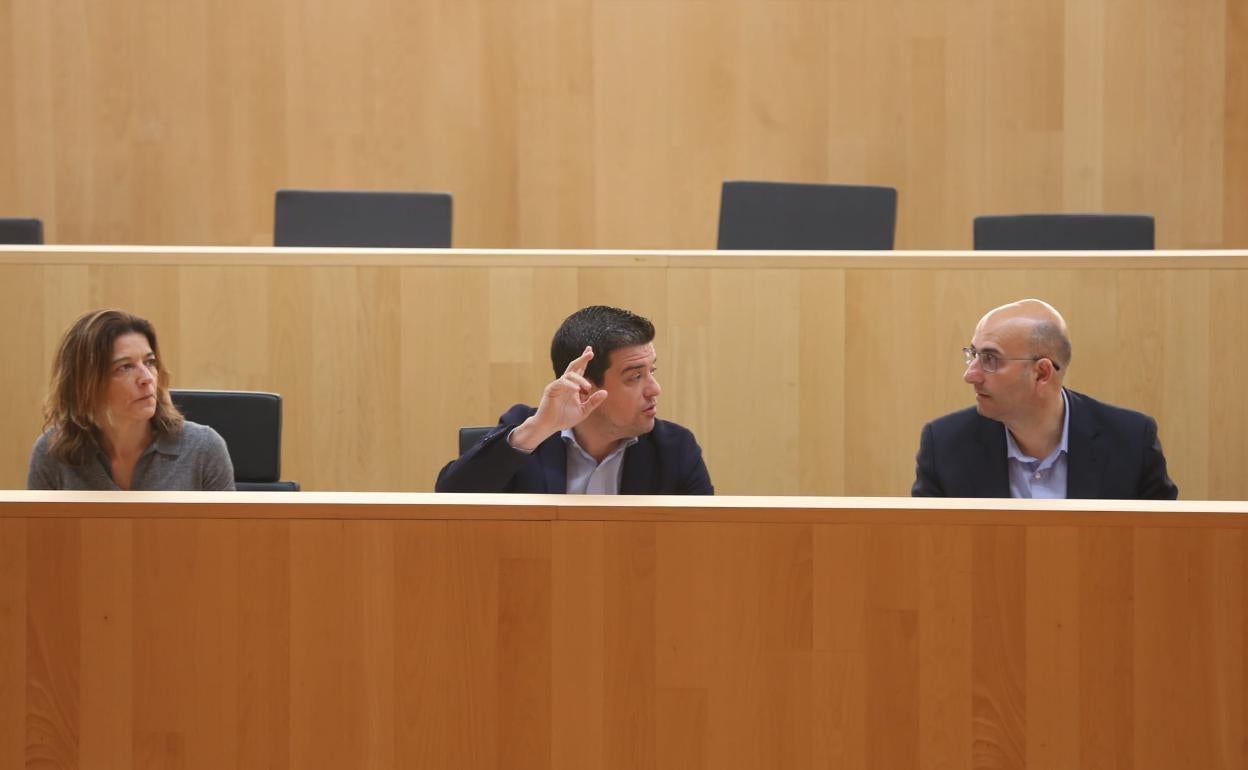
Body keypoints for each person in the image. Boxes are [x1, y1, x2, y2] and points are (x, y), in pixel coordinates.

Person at [912, 298, 1178, 499]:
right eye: (973, 355)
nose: (970, 375)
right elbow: (929, 554)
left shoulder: (1131, 442)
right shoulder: (945, 446)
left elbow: (1163, 550)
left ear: (1041, 373)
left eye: (990, 359)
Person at [436, 305, 713, 494]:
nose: (654, 389)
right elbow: (449, 498)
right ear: (584, 387)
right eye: (634, 377)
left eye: (650, 371)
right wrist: (537, 430)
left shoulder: (674, 450)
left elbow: (705, 542)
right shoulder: (526, 433)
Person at [28, 309, 235, 490]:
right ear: (85, 384)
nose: (147, 377)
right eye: (125, 367)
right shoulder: (53, 453)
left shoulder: (203, 449)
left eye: (150, 362)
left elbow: (230, 535)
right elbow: (36, 534)